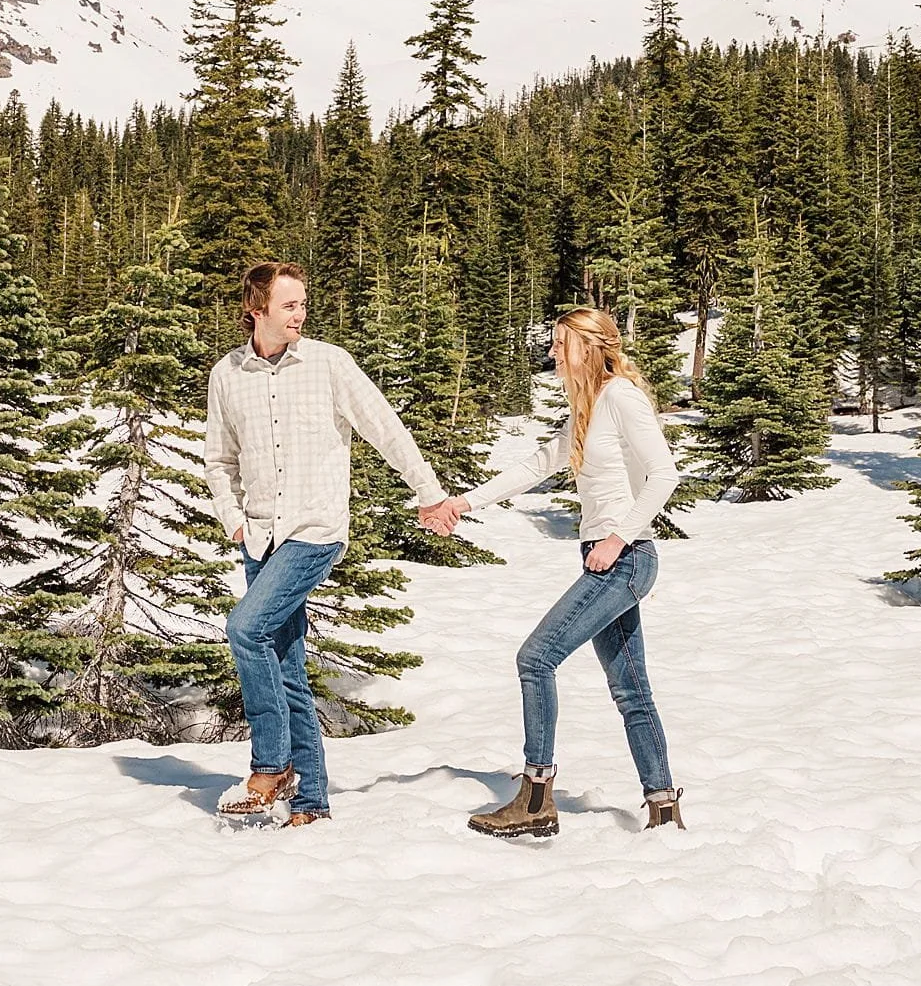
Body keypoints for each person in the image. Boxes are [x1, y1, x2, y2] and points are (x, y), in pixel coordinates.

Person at [422, 306, 684, 839]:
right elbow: (537, 465)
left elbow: (664, 474)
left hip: (625, 559)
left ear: (586, 347)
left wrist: (618, 537)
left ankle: (537, 796)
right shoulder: (589, 407)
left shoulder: (622, 397)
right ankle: (662, 807)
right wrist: (462, 503)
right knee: (631, 690)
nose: (551, 353)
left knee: (535, 658)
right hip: (608, 558)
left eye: (560, 344)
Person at [205, 261, 450, 827]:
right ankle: (310, 802)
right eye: (289, 304)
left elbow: (385, 428)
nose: (301, 313)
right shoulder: (227, 373)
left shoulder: (329, 363)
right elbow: (219, 459)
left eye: (304, 303)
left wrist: (428, 492)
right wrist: (232, 519)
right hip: (259, 536)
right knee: (285, 664)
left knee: (245, 628)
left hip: (314, 531)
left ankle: (270, 766)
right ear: (256, 309)